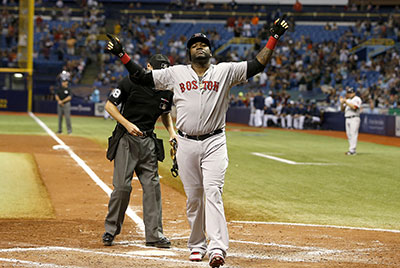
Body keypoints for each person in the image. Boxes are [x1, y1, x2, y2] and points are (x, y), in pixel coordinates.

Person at [105, 17, 288, 268]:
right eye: (195, 44)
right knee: (194, 198)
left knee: (213, 192)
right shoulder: (176, 73)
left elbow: (257, 65)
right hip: (186, 143)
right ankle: (197, 245)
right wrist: (122, 55)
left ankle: (217, 248)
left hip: (214, 141)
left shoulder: (225, 71)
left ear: (210, 51)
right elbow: (142, 76)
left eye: (204, 44)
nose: (200, 46)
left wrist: (273, 38)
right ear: (189, 52)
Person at [102, 54, 176, 248]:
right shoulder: (131, 81)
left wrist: (172, 132)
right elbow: (110, 106)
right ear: (148, 66)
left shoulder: (166, 90)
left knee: (152, 188)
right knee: (122, 187)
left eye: (165, 71)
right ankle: (111, 230)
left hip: (148, 142)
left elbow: (165, 113)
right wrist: (127, 125)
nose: (161, 74)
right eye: (158, 70)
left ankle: (154, 235)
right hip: (127, 140)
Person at [340, 87, 362, 155]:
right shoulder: (348, 100)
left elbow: (355, 107)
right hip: (347, 118)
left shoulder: (357, 99)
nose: (350, 94)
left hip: (354, 118)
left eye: (351, 93)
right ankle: (351, 149)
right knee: (349, 134)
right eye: (349, 93)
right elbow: (342, 109)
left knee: (353, 134)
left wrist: (346, 102)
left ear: (354, 93)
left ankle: (352, 150)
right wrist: (342, 103)